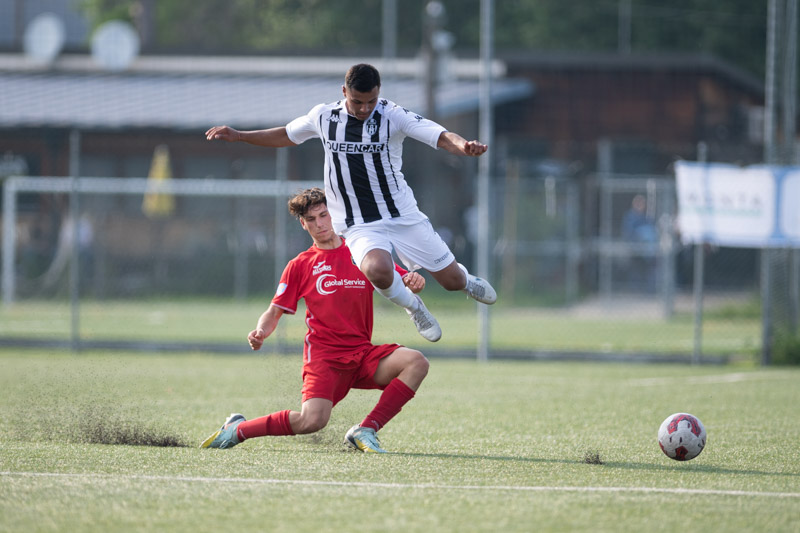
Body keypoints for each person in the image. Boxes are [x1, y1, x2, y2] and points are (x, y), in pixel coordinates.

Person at [206, 63, 496, 343]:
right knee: (377, 269)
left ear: (379, 93)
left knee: (451, 282)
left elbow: (440, 136)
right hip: (357, 222)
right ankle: (414, 307)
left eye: (371, 101)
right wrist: (240, 136)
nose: (365, 108)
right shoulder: (324, 116)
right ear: (344, 91)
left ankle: (466, 281)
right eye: (358, 101)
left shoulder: (393, 115)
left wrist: (464, 146)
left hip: (402, 215)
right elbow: (287, 134)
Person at [200, 188, 429, 453]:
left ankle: (366, 429)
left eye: (324, 215)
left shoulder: (362, 252)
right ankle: (237, 429)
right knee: (311, 421)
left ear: (336, 214)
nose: (320, 224)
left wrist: (413, 280)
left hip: (361, 353)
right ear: (303, 223)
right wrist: (260, 331)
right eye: (311, 219)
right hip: (325, 359)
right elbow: (274, 311)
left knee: (416, 363)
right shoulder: (301, 264)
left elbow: (401, 279)